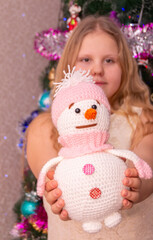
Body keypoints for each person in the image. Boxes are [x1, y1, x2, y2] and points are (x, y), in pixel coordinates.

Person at [26, 15, 153, 240]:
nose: (97, 70)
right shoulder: (44, 127)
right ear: (68, 67)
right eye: (85, 59)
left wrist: (135, 185)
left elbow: (146, 164)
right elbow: (48, 174)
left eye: (109, 60)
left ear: (125, 66)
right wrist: (54, 190)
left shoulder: (145, 121)